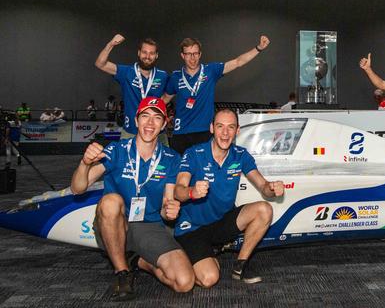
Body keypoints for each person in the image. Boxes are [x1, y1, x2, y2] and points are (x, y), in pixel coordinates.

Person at [70, 97, 194, 300]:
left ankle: (137, 261)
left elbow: (166, 206)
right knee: (111, 201)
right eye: (145, 116)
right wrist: (85, 163)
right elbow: (77, 188)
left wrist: (170, 211)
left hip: (150, 226)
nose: (150, 123)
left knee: (184, 282)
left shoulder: (172, 159)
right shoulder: (116, 150)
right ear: (136, 121)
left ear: (164, 124)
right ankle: (122, 273)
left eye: (157, 118)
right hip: (117, 223)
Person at [173, 108, 284, 286]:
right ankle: (185, 254)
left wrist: (272, 188)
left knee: (264, 209)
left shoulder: (240, 155)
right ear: (211, 128)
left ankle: (239, 267)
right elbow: (178, 190)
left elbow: (263, 187)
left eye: (231, 127)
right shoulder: (193, 153)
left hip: (221, 223)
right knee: (209, 278)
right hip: (192, 229)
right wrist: (192, 191)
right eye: (220, 126)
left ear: (237, 130)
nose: (225, 133)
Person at [163, 36, 270, 155]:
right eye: (188, 54)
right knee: (180, 172)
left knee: (204, 171)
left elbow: (238, 62)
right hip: (181, 134)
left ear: (200, 54)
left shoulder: (211, 71)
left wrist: (258, 48)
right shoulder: (175, 77)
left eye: (195, 53)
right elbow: (164, 100)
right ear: (182, 55)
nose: (192, 58)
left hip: (204, 132)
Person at [95, 34, 169, 140]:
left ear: (156, 55)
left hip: (156, 132)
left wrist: (157, 105)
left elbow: (171, 93)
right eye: (144, 52)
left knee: (165, 157)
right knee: (124, 157)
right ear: (139, 53)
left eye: (151, 53)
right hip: (130, 132)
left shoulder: (163, 76)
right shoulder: (126, 72)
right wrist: (110, 44)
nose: (147, 56)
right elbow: (100, 64)